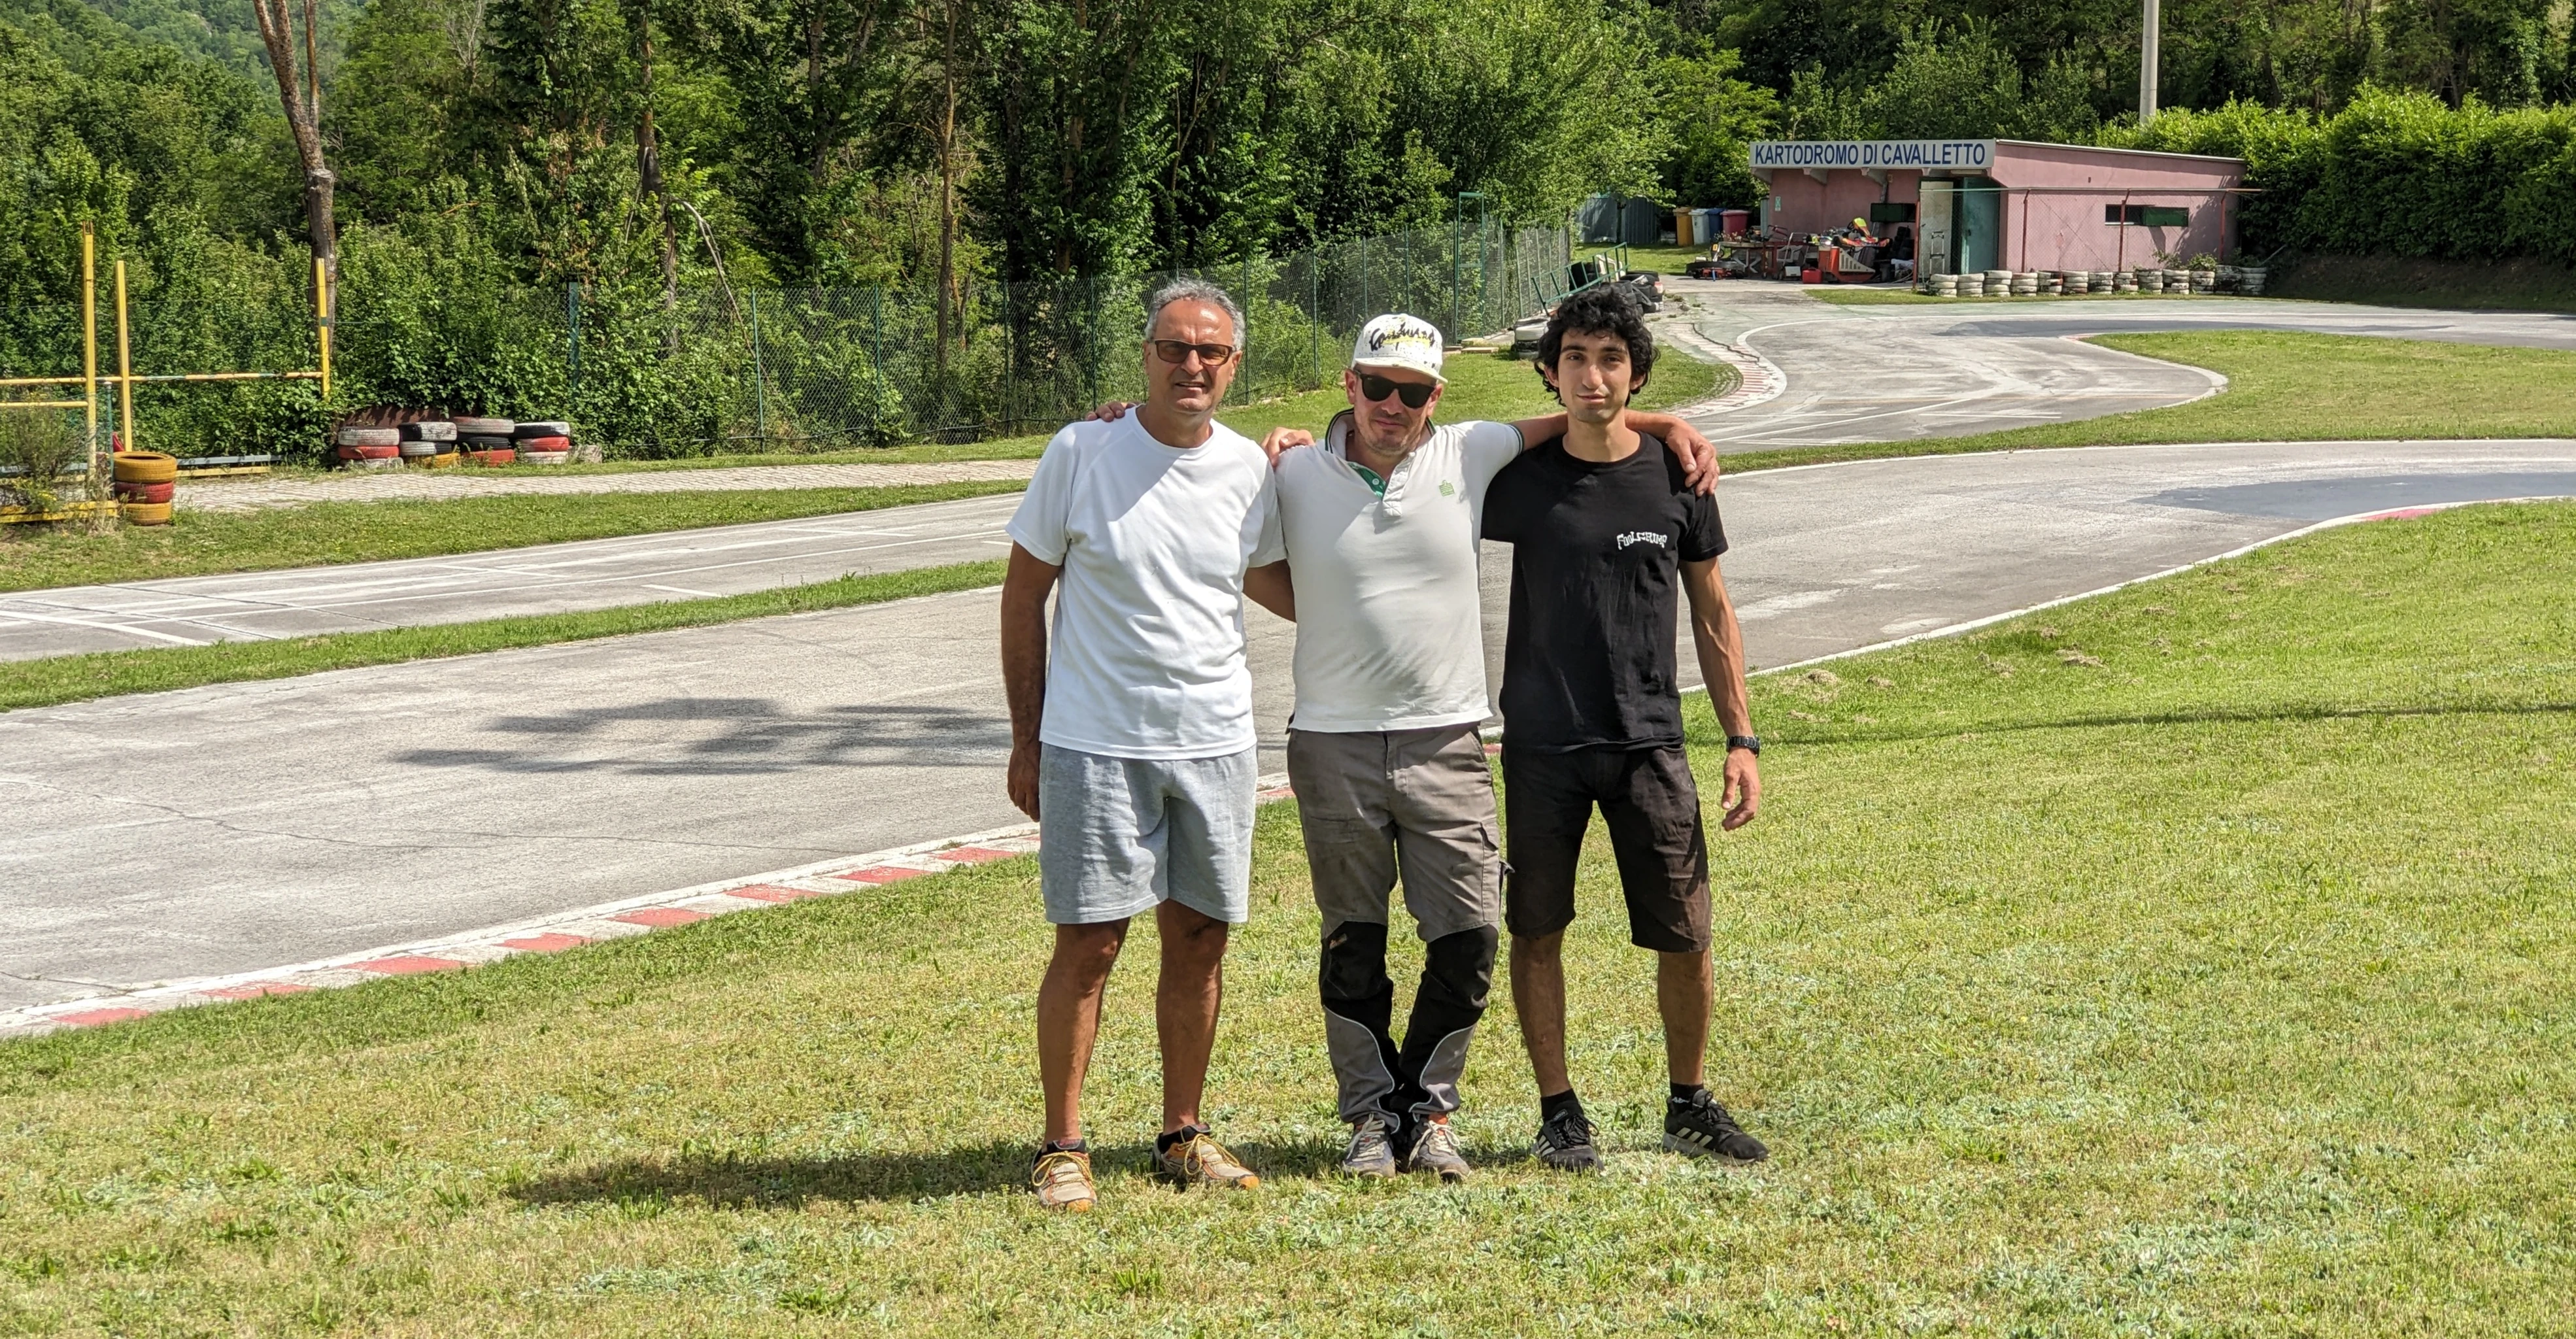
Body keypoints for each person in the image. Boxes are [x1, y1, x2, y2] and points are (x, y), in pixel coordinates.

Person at [1086, 308, 1722, 1184]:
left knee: (1468, 934)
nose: (1394, 404)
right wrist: (1118, 422)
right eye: (1378, 386)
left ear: (1436, 397)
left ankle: (1429, 1113)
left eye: (1413, 391)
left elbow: (1590, 413)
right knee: (1356, 939)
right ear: (1350, 383)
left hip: (1448, 738)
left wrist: (1670, 421)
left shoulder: (1469, 451)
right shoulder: (1293, 469)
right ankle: (1368, 1121)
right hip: (1333, 743)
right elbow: (1219, 507)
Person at [999, 278, 1294, 1213]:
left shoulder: (1252, 470)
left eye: (1210, 351)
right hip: (1094, 743)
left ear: (1235, 364)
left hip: (1213, 742)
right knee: (1089, 945)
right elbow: (1022, 597)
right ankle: (1062, 1146)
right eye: (1175, 348)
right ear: (1147, 356)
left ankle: (1182, 1132)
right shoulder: (1083, 451)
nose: (1191, 365)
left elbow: (1286, 588)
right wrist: (1026, 737)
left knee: (1200, 942)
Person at [1480, 284, 1770, 1174]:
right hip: (1539, 746)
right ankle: (1559, 1112)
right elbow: (1402, 459)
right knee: (1537, 931)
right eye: (1575, 358)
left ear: (1636, 373)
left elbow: (1715, 613)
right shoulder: (1517, 482)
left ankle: (1689, 1102)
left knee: (1686, 933)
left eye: (1611, 359)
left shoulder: (1678, 477)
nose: (1593, 375)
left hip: (1650, 742)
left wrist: (1743, 741)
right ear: (1549, 373)